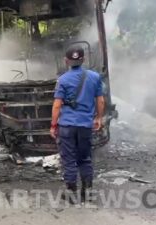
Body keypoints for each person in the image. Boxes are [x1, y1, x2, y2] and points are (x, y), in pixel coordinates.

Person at [50, 45, 105, 204]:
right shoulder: (95, 77)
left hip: (67, 126)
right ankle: (87, 192)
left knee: (69, 159)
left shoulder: (63, 80)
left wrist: (54, 126)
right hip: (85, 126)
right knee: (85, 158)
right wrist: (98, 118)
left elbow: (57, 105)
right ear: (83, 60)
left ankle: (72, 193)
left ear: (66, 61)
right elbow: (100, 100)